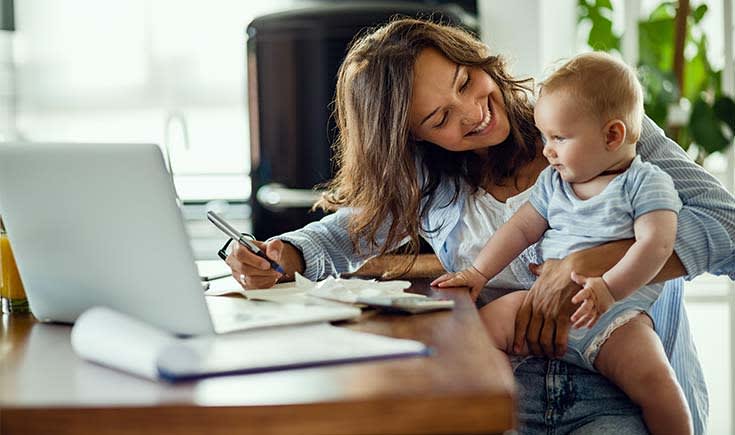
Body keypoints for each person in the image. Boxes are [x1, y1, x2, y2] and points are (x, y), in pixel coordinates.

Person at [225, 18, 735, 434]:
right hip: (505, 384)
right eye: (439, 119)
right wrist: (280, 255)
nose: (473, 114)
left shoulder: (593, 121)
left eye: (466, 82)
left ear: (474, 59)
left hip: (622, 383)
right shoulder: (431, 177)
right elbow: (345, 232)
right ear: (414, 139)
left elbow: (727, 227)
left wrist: (590, 262)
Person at [432, 52, 691, 434]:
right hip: (541, 304)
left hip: (615, 318)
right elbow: (519, 230)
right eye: (544, 137)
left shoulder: (645, 183)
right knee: (477, 332)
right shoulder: (556, 183)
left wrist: (607, 288)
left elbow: (656, 246)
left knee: (659, 386)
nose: (547, 150)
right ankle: (504, 416)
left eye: (559, 138)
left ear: (612, 136)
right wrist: (477, 272)